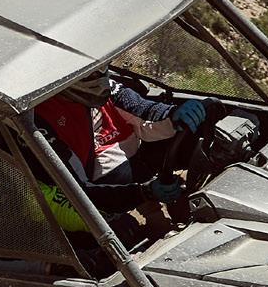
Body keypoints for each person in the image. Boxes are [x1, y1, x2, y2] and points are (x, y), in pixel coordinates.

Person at [31, 71, 213, 231]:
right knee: (130, 224)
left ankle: (175, 205)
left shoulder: (104, 84)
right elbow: (79, 188)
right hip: (103, 183)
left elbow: (143, 108)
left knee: (188, 141)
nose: (99, 75)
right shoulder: (39, 119)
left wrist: (172, 114)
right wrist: (144, 193)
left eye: (101, 68)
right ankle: (155, 217)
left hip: (135, 156)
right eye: (92, 73)